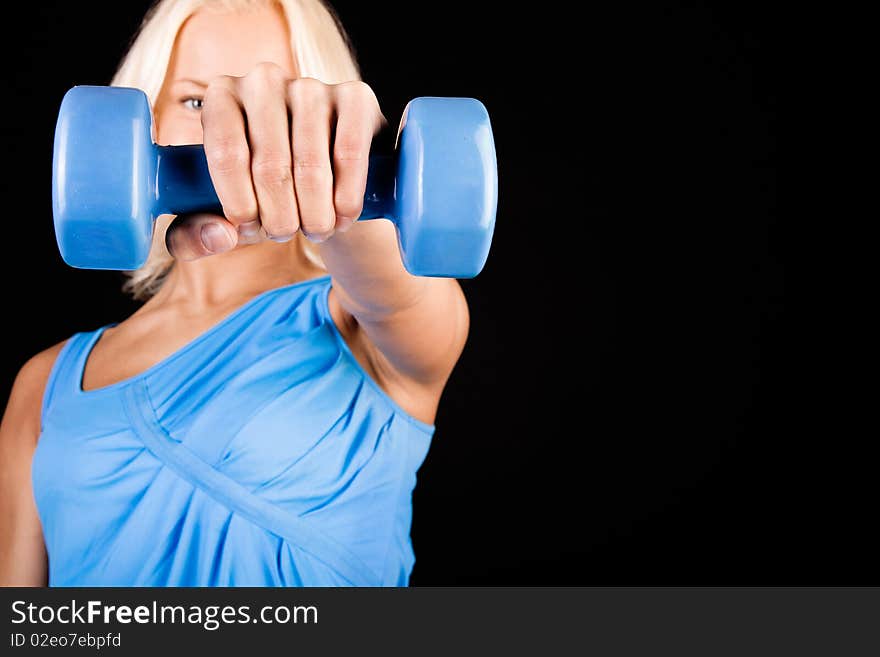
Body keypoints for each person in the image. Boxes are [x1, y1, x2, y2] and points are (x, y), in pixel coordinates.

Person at [0, 0, 469, 586]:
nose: (234, 138)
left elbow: (398, 291)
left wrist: (359, 174)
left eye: (274, 105)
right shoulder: (43, 386)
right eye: (197, 102)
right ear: (144, 123)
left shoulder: (373, 327)